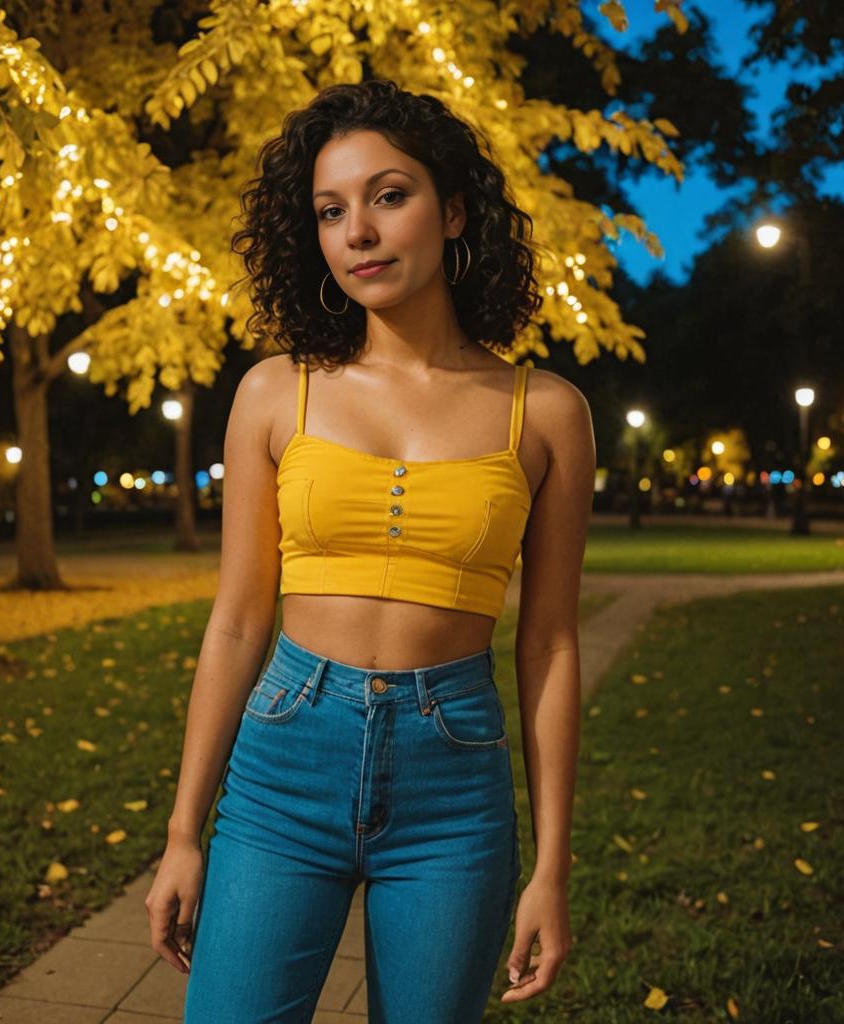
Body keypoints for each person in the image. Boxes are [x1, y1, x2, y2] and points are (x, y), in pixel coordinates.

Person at [145, 78, 595, 1023]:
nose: (359, 231)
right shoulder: (277, 393)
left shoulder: (546, 412)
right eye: (331, 210)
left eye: (389, 196)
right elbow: (235, 623)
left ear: (456, 209)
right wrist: (185, 831)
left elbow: (550, 644)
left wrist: (551, 868)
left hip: (454, 784)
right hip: (282, 769)